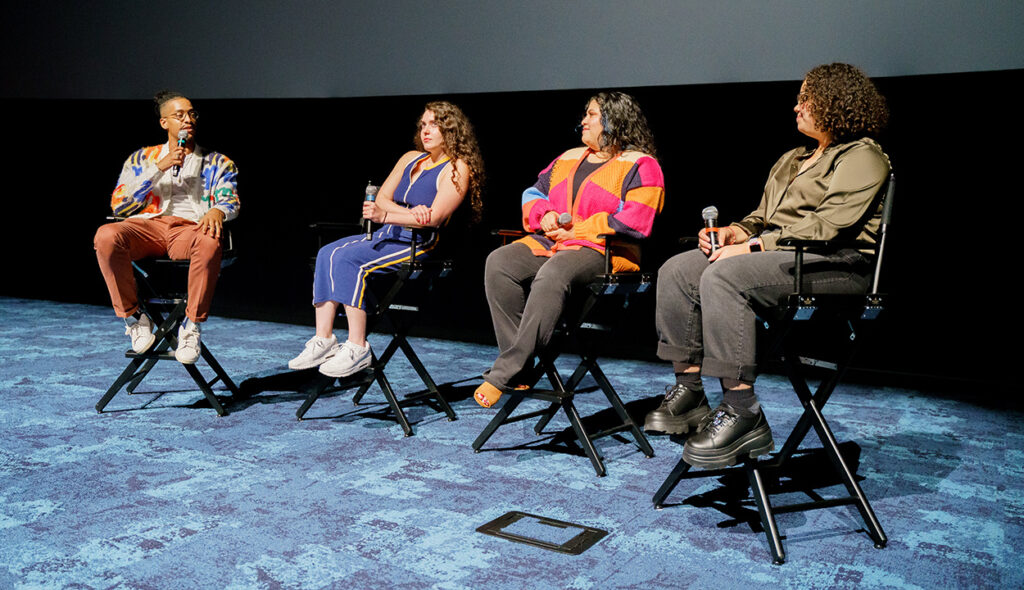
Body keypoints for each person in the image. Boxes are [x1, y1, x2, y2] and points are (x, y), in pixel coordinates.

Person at [644, 63, 890, 469]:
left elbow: (829, 225)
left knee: (725, 276)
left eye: (806, 98)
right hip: (782, 257)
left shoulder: (863, 156)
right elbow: (761, 217)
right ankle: (688, 390)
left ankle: (743, 410)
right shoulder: (793, 159)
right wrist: (733, 234)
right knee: (678, 270)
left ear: (834, 102)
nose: (796, 107)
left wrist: (754, 246)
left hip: (837, 265)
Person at [474, 91, 665, 407]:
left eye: (591, 115)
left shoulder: (642, 164)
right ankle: (518, 367)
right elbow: (534, 192)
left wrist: (583, 228)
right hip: (556, 243)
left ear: (614, 120)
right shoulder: (568, 157)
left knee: (554, 271)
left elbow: (637, 220)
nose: (583, 121)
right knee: (500, 261)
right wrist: (544, 214)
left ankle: (505, 371)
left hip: (605, 249)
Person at [289, 101, 484, 377]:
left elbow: (435, 218)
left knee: (349, 260)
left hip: (419, 244)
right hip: (389, 233)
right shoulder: (410, 158)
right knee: (327, 253)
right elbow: (381, 198)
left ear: (450, 129)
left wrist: (391, 215)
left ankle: (358, 346)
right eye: (423, 124)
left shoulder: (456, 168)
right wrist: (405, 213)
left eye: (434, 124)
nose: (425, 130)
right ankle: (324, 338)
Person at [94, 90, 240, 364]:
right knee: (106, 236)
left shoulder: (218, 162)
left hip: (190, 229)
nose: (188, 120)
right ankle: (134, 318)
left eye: (192, 114)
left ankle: (191, 327)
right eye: (179, 115)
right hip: (148, 227)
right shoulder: (141, 159)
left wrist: (218, 210)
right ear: (164, 123)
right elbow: (119, 205)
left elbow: (229, 199)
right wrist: (158, 169)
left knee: (210, 240)